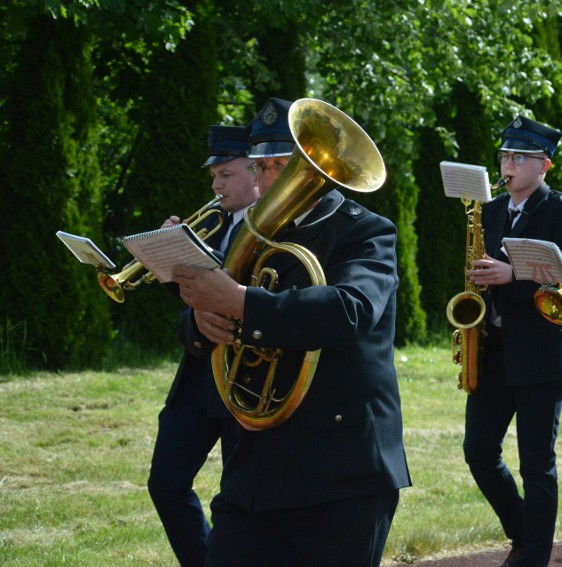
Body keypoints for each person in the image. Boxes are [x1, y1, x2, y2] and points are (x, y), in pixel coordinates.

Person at [172, 97, 412, 566]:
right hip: (254, 471)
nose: (263, 179)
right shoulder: (249, 236)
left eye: (280, 165)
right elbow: (202, 326)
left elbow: (352, 310)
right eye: (259, 166)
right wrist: (202, 320)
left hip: (340, 474)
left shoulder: (365, 232)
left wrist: (240, 302)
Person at [463, 115, 562, 567]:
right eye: (504, 156)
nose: (508, 164)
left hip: (541, 353)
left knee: (537, 463)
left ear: (544, 166)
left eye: (519, 157)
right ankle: (524, 532)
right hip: (492, 350)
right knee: (477, 451)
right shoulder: (491, 210)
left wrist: (513, 276)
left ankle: (533, 556)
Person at [147, 124, 259, 567]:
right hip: (199, 374)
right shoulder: (212, 227)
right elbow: (195, 302)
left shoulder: (274, 226)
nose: (216, 184)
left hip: (244, 379)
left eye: (226, 174)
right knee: (166, 483)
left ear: (256, 173)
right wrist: (170, 258)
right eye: (213, 175)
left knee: (238, 498)